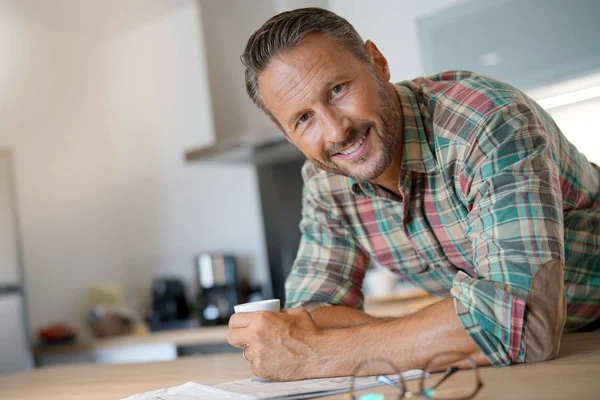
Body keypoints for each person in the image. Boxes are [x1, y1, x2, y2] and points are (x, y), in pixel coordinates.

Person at [226, 7, 600, 381]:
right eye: (304, 119)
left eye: (338, 89)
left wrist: (318, 355)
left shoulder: (486, 122)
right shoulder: (326, 181)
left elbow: (524, 322)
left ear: (378, 63)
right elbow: (311, 316)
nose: (336, 132)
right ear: (288, 135)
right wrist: (433, 333)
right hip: (543, 360)